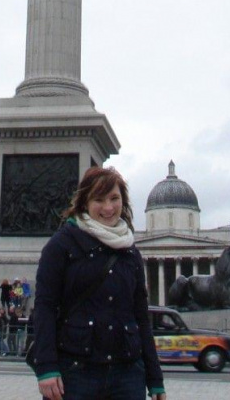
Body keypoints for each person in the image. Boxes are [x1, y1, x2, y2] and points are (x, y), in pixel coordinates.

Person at [33, 166, 166, 400]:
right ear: (84, 202)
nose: (108, 207)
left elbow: (141, 317)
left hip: (127, 374)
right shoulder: (61, 245)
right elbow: (44, 307)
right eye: (99, 199)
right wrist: (46, 368)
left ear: (123, 201)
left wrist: (155, 379)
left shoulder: (130, 251)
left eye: (114, 198)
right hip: (76, 372)